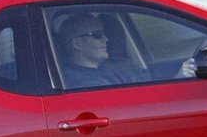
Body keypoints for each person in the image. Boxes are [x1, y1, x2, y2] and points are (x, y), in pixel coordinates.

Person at [57, 13, 196, 90]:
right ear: (77, 44)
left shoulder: (118, 65)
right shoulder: (82, 84)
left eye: (104, 33)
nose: (106, 39)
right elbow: (140, 107)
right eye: (97, 35)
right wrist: (177, 80)